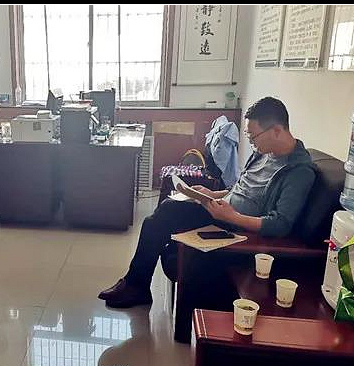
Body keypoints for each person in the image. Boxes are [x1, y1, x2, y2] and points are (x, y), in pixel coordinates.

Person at [98, 97, 316, 310]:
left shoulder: (298, 172)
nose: (252, 143)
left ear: (276, 130)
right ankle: (136, 284)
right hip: (222, 211)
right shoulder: (264, 153)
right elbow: (240, 189)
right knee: (165, 210)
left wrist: (232, 217)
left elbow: (280, 224)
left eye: (253, 136)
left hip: (237, 229)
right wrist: (213, 194)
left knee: (166, 214)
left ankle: (136, 286)